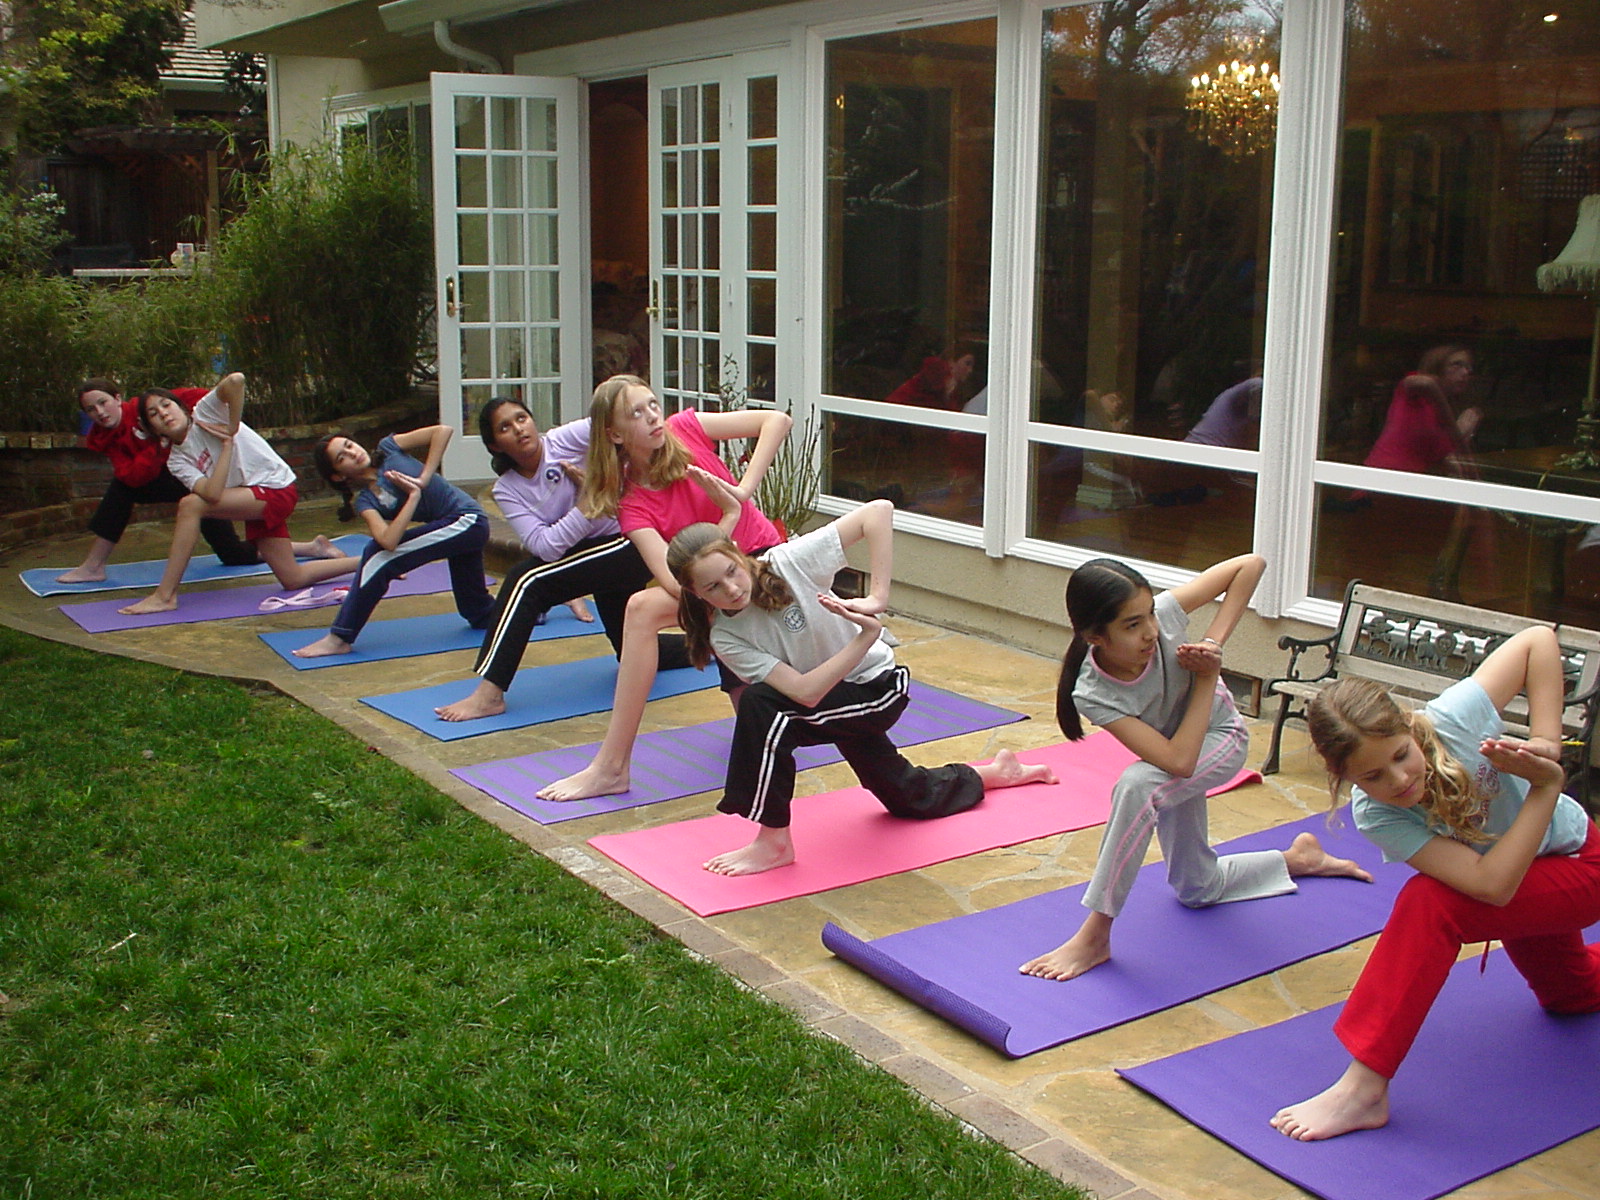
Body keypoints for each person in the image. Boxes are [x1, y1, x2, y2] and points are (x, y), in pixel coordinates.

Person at [1270, 626, 1600, 1141]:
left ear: (1408, 727)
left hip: (1579, 864)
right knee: (1572, 995)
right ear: (1346, 779)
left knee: (1430, 904)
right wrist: (1543, 789)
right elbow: (1490, 885)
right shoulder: (1378, 817)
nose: (1398, 781)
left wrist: (1545, 749)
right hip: (1518, 883)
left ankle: (1364, 1088)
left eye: (1401, 755)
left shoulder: (1456, 717)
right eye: (1374, 777)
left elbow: (1538, 641)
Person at [1018, 555, 1372, 981]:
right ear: (1095, 636)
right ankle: (1296, 859)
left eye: (1149, 614)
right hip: (1180, 756)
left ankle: (1096, 934)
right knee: (1197, 887)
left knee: (1137, 786)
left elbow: (1251, 566)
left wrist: (1212, 646)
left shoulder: (1164, 620)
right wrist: (1205, 678)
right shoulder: (1093, 694)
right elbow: (1178, 761)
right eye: (1132, 625)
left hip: (1222, 740)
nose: (1151, 632)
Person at [665, 501, 1059, 875]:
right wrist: (862, 638)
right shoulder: (728, 636)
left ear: (738, 552)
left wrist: (879, 597)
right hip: (830, 697)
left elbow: (878, 512)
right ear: (697, 594)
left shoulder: (790, 562)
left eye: (732, 571)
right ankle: (996, 773)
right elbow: (805, 693)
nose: (731, 589)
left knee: (761, 708)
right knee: (906, 797)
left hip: (876, 688)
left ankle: (774, 842)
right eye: (713, 587)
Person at [535, 374, 791, 802]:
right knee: (758, 724)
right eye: (636, 412)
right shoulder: (633, 503)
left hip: (764, 566)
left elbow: (776, 421)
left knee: (774, 727)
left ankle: (611, 766)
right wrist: (728, 518)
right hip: (714, 591)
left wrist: (742, 492)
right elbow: (676, 585)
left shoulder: (686, 428)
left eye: (652, 404)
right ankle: (612, 768)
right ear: (614, 434)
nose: (653, 416)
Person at [432, 396, 692, 720]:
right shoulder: (507, 490)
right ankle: (708, 641)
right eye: (505, 427)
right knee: (631, 651)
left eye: (521, 418)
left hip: (631, 539)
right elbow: (545, 548)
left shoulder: (565, 440)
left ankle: (490, 694)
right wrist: (590, 504)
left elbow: (616, 422)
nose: (518, 429)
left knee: (526, 581)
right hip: (597, 556)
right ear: (495, 445)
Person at [116, 373, 355, 615]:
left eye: (166, 405)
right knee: (293, 579)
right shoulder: (176, 461)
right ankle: (370, 561)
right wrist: (228, 445)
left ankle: (165, 595)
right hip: (253, 500)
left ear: (181, 407)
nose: (164, 413)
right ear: (153, 429)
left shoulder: (205, 414)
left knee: (190, 505)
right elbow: (212, 493)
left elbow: (236, 380)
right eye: (154, 414)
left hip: (275, 488)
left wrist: (232, 425)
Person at [291, 424, 493, 658]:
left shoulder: (389, 448)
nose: (352, 452)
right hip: (454, 530)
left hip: (467, 520)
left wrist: (425, 477)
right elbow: (389, 541)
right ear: (339, 475)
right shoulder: (366, 501)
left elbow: (443, 431)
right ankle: (532, 610)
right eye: (342, 457)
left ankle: (340, 636)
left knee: (378, 557)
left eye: (349, 445)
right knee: (477, 611)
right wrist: (413, 497)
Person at [57, 378, 261, 583]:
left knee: (234, 555)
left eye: (103, 402)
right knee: (122, 487)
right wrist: (156, 447)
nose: (100, 412)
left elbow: (207, 397)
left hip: (198, 480)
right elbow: (132, 477)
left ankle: (293, 548)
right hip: (170, 479)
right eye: (91, 409)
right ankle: (93, 566)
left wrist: (210, 424)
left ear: (118, 398)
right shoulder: (105, 437)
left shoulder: (147, 407)